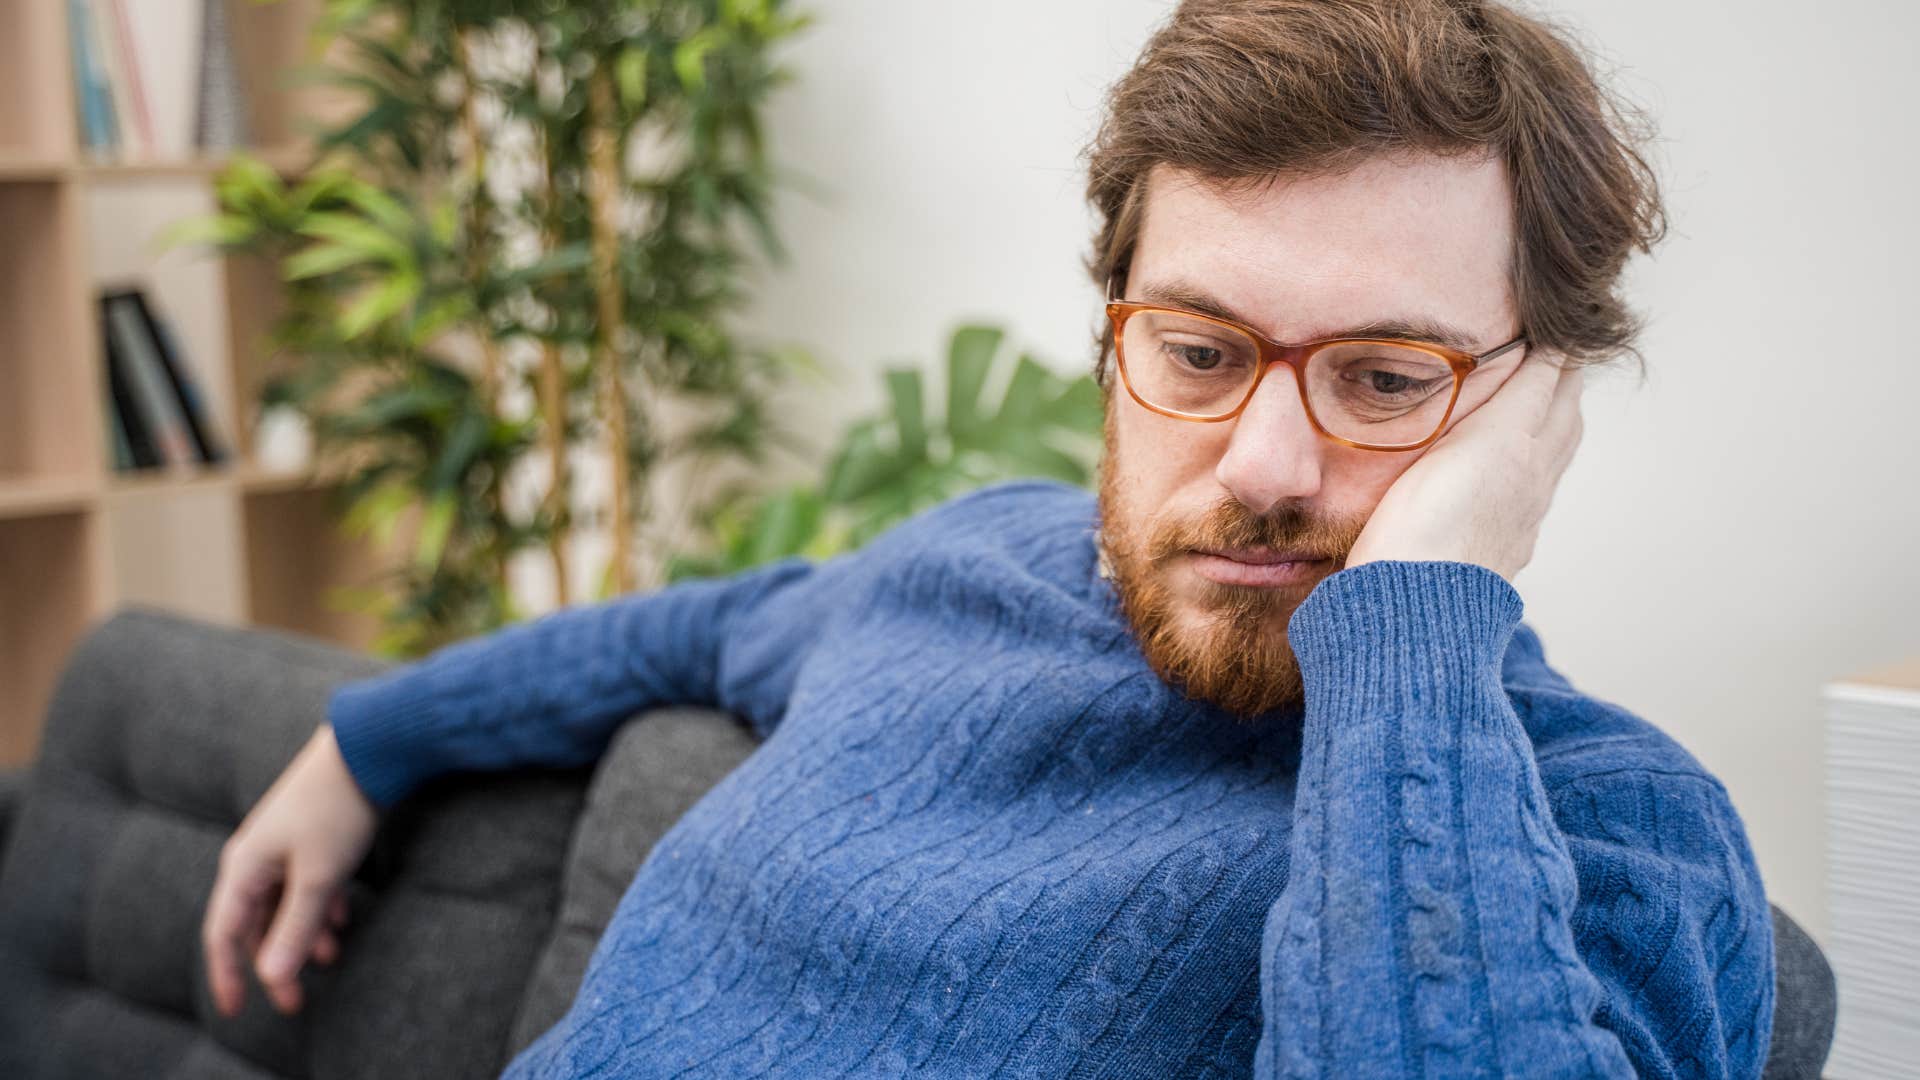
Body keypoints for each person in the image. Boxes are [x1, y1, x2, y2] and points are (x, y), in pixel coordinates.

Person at [203, 1, 1775, 1076]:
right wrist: (367, 745)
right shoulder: (969, 564)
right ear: (1114, 340)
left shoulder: (1619, 831)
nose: (1269, 462)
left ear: (1534, 412)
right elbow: (689, 630)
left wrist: (1418, 618)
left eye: (1384, 378)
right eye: (1201, 351)